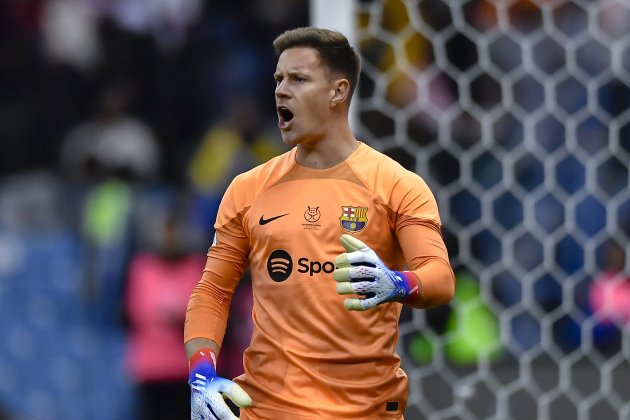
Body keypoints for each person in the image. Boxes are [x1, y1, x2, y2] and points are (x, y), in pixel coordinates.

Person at [184, 27, 455, 420]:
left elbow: (440, 278)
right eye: (278, 79)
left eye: (298, 79)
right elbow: (212, 291)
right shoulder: (247, 189)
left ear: (338, 92)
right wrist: (201, 372)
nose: (280, 90)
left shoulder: (396, 185)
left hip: (363, 410)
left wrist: (398, 284)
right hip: (267, 409)